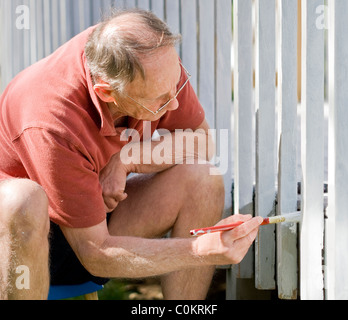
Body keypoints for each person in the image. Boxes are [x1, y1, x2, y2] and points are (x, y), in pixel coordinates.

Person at [0, 8, 263, 300]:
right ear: (107, 93)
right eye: (159, 101)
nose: (174, 105)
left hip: (90, 222)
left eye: (176, 86)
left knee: (202, 180)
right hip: (21, 249)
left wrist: (129, 159)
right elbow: (95, 253)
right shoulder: (51, 119)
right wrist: (200, 250)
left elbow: (202, 141)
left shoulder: (146, 59)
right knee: (23, 199)